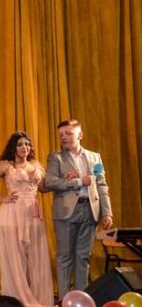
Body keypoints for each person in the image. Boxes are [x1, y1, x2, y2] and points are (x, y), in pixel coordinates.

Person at [0, 132, 53, 307]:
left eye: (27, 144)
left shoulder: (36, 165)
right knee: (15, 257)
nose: (24, 147)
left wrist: (65, 180)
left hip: (33, 214)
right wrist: (2, 198)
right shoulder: (6, 165)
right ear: (13, 147)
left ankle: (37, 297)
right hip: (12, 213)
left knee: (35, 256)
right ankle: (17, 300)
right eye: (20, 144)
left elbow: (43, 188)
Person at [45, 119, 114, 297]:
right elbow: (49, 182)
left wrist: (107, 212)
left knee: (83, 256)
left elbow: (102, 184)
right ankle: (64, 299)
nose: (64, 137)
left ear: (80, 135)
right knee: (65, 256)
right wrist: (77, 182)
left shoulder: (95, 157)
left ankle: (82, 299)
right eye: (61, 135)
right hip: (66, 212)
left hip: (90, 210)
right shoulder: (56, 158)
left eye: (68, 133)